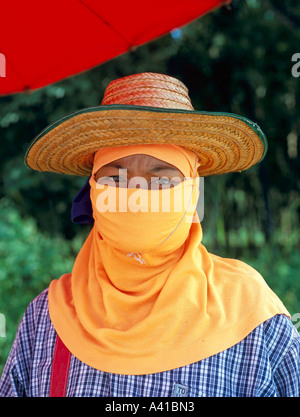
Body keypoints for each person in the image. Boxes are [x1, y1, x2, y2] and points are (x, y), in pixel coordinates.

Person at [0, 72, 299, 397]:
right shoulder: (47, 318)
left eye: (161, 179)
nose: (136, 194)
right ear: (93, 193)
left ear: (192, 194)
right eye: (115, 177)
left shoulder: (252, 316)